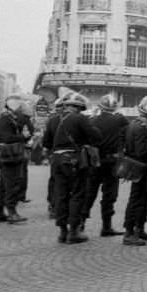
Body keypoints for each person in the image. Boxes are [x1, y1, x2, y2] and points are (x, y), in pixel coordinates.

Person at [41, 91, 100, 244]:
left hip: (57, 161)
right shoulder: (80, 118)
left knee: (61, 194)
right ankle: (74, 231)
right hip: (74, 160)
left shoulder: (53, 120)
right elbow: (96, 138)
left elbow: (46, 143)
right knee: (77, 194)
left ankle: (62, 232)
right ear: (79, 107)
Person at [83, 94, 129, 237]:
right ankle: (106, 226)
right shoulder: (120, 119)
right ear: (115, 107)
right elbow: (127, 134)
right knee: (109, 195)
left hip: (95, 162)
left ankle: (80, 224)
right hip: (112, 162)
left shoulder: (92, 120)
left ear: (100, 107)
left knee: (90, 193)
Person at [122, 95, 147, 246]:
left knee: (144, 199)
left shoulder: (134, 124)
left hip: (136, 166)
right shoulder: (141, 128)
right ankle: (130, 232)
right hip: (140, 167)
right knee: (137, 200)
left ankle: (139, 228)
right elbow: (142, 151)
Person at [0, 96, 30, 224]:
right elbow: (6, 137)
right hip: (10, 155)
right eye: (19, 108)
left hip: (9, 155)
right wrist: (22, 137)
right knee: (11, 184)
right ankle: (12, 213)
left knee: (3, 184)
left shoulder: (7, 118)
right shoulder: (5, 120)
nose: (20, 110)